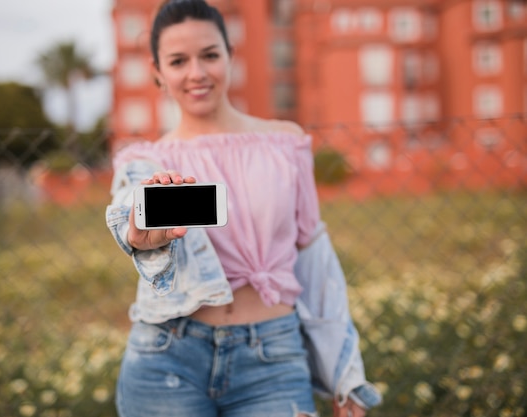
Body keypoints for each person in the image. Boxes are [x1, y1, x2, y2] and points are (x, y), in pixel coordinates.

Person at [105, 0, 382, 416]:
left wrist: (345, 375)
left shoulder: (285, 143)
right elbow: (126, 215)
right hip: (166, 357)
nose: (197, 73)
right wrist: (140, 238)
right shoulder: (143, 163)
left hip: (273, 356)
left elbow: (316, 264)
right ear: (158, 73)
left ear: (231, 56)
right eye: (178, 61)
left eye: (210, 55)